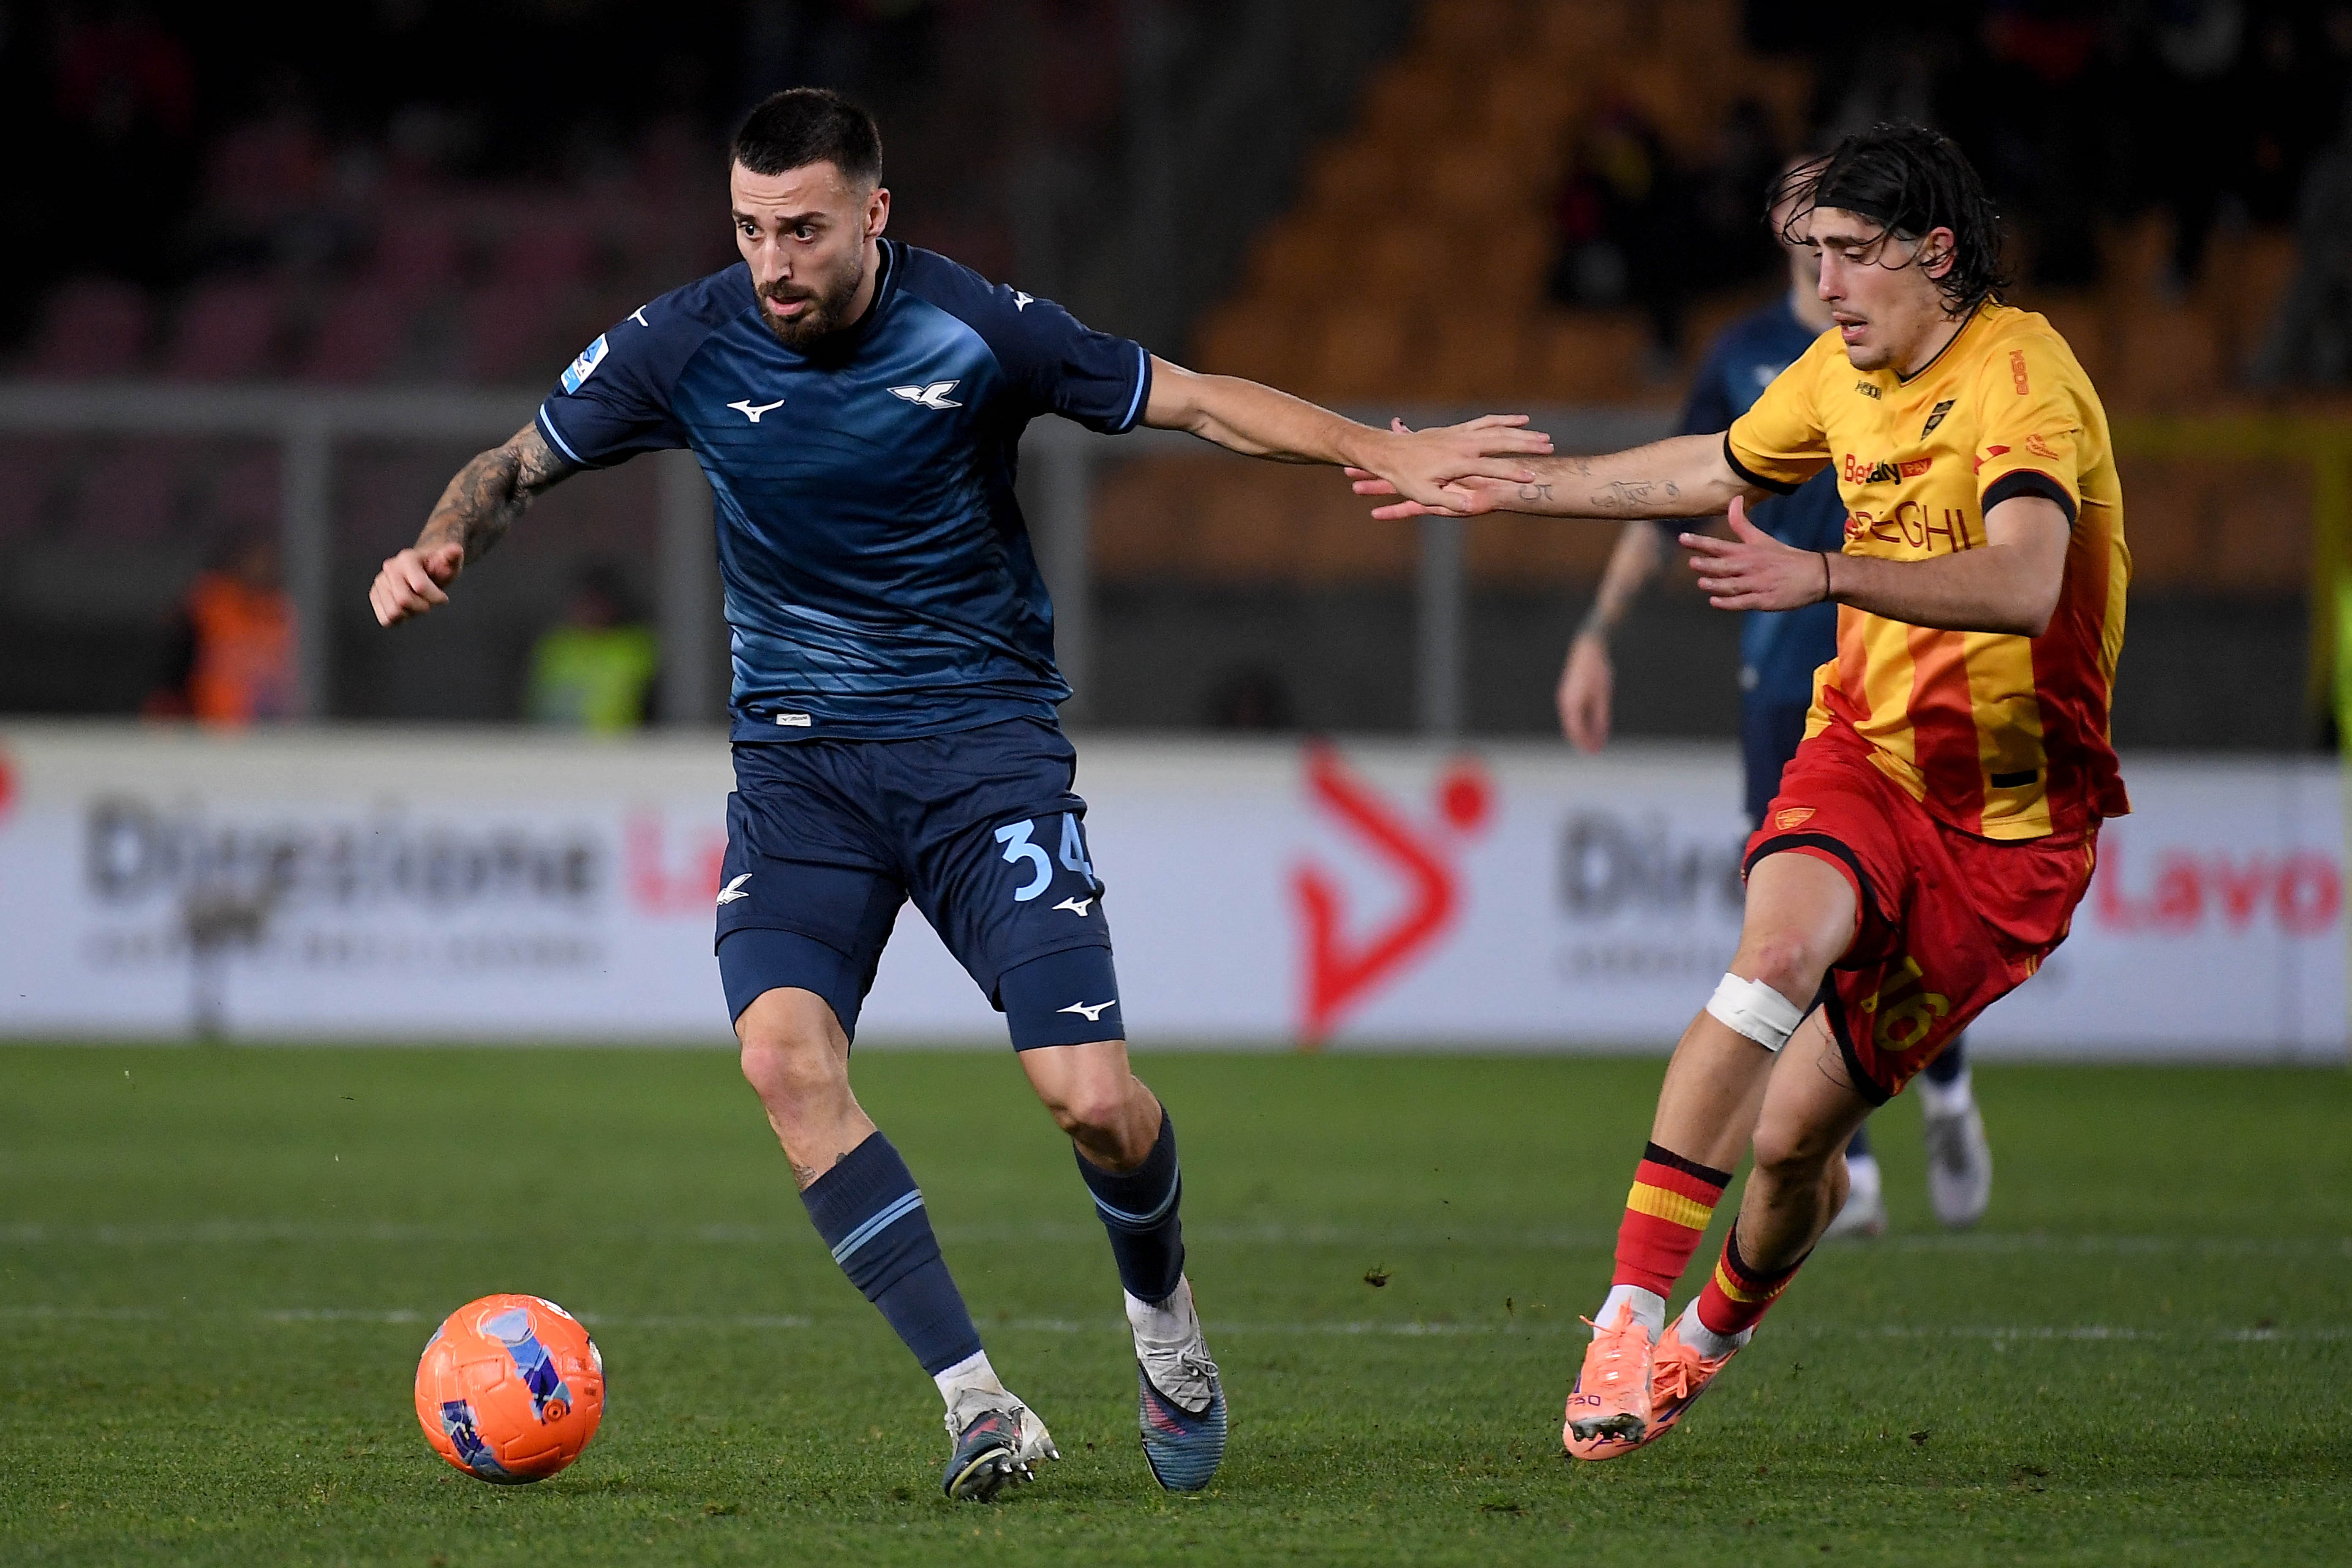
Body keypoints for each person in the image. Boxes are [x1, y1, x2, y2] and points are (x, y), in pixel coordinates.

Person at [368, 88, 1548, 1501]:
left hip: (981, 755)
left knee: (1092, 1102)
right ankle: (974, 1400)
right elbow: (511, 465)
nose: (773, 261)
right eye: (748, 230)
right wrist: (439, 546)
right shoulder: (683, 339)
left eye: (801, 228)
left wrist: (1378, 446)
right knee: (781, 1062)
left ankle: (1164, 1325)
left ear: (873, 214)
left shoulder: (975, 327)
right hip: (801, 774)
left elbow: (1190, 398)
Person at [1353, 120, 2127, 1459]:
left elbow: (2021, 583)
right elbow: (1709, 466)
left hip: (2009, 835)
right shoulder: (1833, 372)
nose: (1823, 288)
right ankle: (1619, 1315)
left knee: (1786, 1150)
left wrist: (1820, 575)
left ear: (1932, 254)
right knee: (1768, 954)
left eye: (1847, 254)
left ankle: (1700, 1338)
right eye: (1809, 256)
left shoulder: (2023, 380)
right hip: (1861, 754)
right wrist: (1504, 489)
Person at [1555, 161, 1993, 1241]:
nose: (1818, 234)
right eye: (1802, 211)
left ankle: (1943, 1087)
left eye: (1839, 216)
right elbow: (1674, 494)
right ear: (1779, 224)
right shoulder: (1749, 355)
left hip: (1903, 659)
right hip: (1781, 665)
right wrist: (1596, 636)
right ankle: (1856, 1154)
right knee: (1794, 918)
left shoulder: (1916, 348)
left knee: (1912, 909)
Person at [148, 531, 297, 725]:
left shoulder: (282, 609)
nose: (261, 566)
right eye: (254, 558)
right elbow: (176, 657)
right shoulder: (211, 601)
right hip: (211, 725)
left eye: (268, 559)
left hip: (270, 725)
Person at [525, 565, 658, 732]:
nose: (589, 610)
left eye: (596, 602)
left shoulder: (637, 646)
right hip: (554, 750)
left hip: (621, 752)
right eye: (583, 601)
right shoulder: (555, 645)